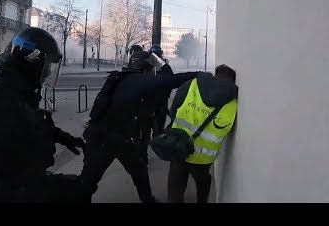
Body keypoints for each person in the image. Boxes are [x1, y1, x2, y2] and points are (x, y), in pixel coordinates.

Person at [0, 27, 87, 203]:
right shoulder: (4, 101)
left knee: (76, 189)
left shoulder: (20, 90)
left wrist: (65, 138)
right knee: (76, 193)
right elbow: (5, 158)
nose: (47, 72)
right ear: (31, 63)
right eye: (46, 65)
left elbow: (35, 122)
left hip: (18, 180)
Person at [80, 50, 199, 203]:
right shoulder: (138, 80)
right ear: (145, 67)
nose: (152, 72)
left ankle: (147, 199)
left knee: (138, 169)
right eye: (151, 69)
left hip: (117, 137)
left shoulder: (125, 77)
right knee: (88, 180)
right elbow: (168, 81)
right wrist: (197, 74)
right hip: (104, 138)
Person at [166, 64, 238, 203]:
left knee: (175, 186)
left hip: (179, 147)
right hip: (203, 157)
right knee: (203, 182)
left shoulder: (191, 85)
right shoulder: (232, 103)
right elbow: (229, 129)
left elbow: (173, 110)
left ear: (215, 75)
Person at [148, 44, 173, 138]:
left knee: (153, 124)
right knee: (158, 126)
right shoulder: (165, 67)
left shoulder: (148, 65)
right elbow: (171, 82)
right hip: (160, 101)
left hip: (154, 101)